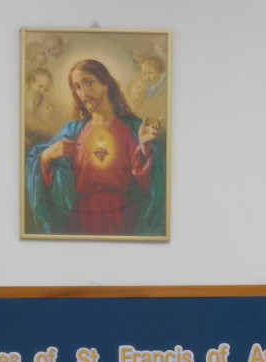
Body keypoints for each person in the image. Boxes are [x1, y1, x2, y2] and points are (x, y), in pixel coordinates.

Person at [26, 59, 165, 237]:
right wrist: (47, 155)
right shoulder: (73, 131)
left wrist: (145, 146)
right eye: (77, 87)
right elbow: (43, 179)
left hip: (121, 219)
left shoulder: (132, 128)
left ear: (105, 84)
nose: (83, 92)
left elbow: (152, 183)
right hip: (80, 221)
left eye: (88, 83)